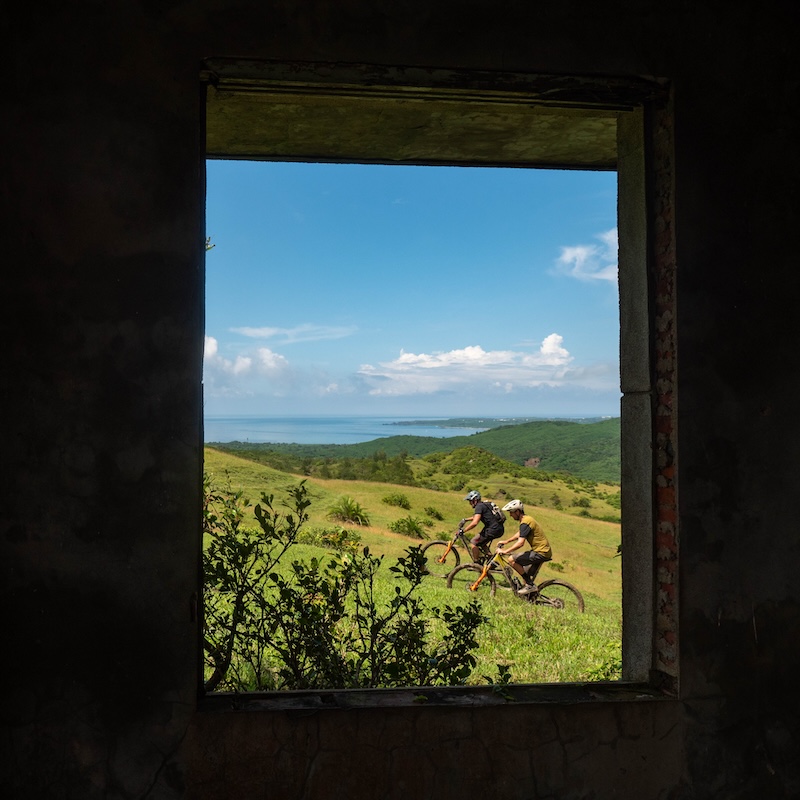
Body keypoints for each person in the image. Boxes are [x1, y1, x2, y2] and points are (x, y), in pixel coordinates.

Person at [496, 499, 552, 595]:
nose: (510, 515)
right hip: (543, 551)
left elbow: (520, 543)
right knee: (524, 571)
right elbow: (520, 534)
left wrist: (505, 551)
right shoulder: (527, 519)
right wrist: (507, 541)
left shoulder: (525, 522)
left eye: (511, 512)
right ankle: (528, 594)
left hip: (540, 552)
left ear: (517, 511)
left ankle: (530, 585)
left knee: (511, 559)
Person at [461, 489, 505, 562]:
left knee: (473, 542)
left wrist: (464, 530)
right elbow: (478, 516)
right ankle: (492, 561)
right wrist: (466, 519)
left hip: (492, 529)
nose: (469, 503)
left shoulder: (479, 506)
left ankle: (476, 563)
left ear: (475, 500)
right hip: (499, 529)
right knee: (482, 543)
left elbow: (475, 522)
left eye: (470, 501)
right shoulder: (485, 504)